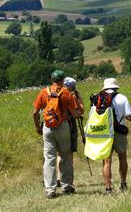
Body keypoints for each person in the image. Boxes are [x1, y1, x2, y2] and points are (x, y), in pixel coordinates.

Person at [33, 70, 80, 199]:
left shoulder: (43, 92)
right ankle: (66, 186)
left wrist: (38, 127)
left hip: (47, 127)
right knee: (65, 155)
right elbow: (75, 114)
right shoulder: (66, 93)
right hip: (63, 126)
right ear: (62, 80)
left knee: (49, 158)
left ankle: (50, 190)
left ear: (52, 79)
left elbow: (35, 112)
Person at [98, 78, 131, 194]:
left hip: (104, 133)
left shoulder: (98, 99)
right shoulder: (122, 98)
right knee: (122, 157)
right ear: (115, 86)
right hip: (119, 132)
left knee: (106, 161)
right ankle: (123, 184)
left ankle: (108, 188)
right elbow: (130, 116)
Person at [56, 77, 84, 186]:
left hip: (57, 124)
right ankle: (67, 179)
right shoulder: (71, 96)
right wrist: (79, 98)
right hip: (69, 124)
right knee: (70, 151)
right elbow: (80, 111)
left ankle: (59, 177)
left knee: (60, 152)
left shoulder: (56, 94)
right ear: (71, 87)